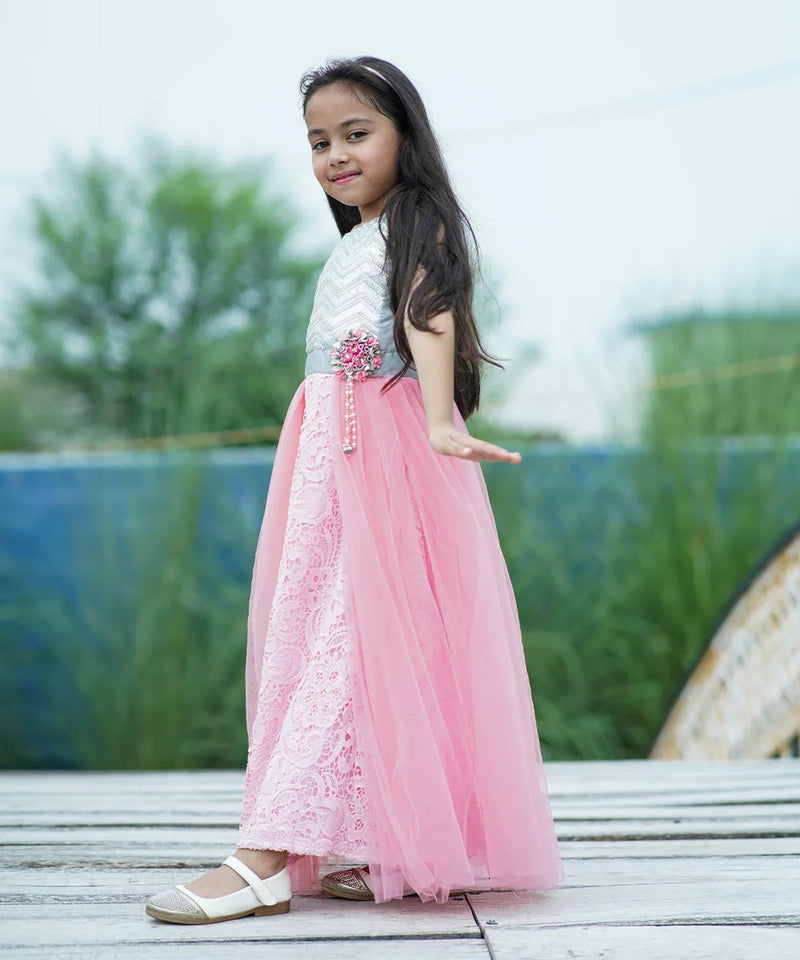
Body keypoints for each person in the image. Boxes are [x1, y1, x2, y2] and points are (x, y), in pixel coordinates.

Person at [145, 54, 564, 925]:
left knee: (351, 634)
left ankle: (267, 853)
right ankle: (376, 840)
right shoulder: (359, 236)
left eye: (356, 134)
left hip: (376, 449)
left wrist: (442, 419)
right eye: (319, 141)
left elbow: (428, 310)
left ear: (405, 136)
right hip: (329, 458)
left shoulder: (416, 220)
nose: (335, 155)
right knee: (322, 634)